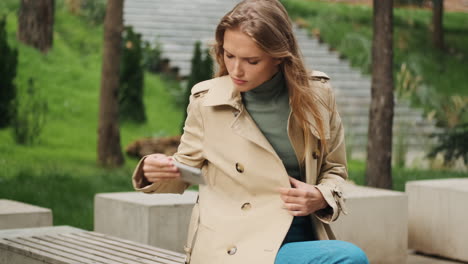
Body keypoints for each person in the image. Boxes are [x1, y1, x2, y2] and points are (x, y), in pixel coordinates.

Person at [132, 0, 369, 263]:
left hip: (300, 236)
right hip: (235, 243)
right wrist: (154, 170)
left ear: (279, 57)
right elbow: (187, 172)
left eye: (251, 60)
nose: (236, 70)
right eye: (228, 55)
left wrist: (320, 196)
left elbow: (334, 170)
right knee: (349, 258)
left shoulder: (318, 95)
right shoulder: (207, 102)